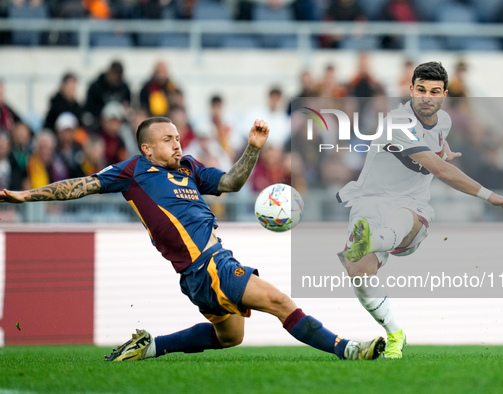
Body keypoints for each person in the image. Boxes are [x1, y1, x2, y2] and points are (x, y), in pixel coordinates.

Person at [0, 116, 385, 362]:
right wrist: (25, 196)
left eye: (178, 137)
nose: (177, 144)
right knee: (279, 302)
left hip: (202, 271)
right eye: (168, 140)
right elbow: (80, 186)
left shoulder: (189, 168)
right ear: (147, 148)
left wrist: (252, 148)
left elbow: (232, 183)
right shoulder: (132, 171)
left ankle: (151, 347)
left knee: (230, 337)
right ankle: (348, 349)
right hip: (207, 265)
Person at [336, 61, 503, 359]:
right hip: (369, 201)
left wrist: (443, 150)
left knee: (403, 215)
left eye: (435, 92)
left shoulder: (445, 122)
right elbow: (441, 170)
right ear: (411, 90)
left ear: (444, 95)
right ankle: (395, 334)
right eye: (421, 90)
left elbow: (436, 150)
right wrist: (489, 196)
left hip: (410, 206)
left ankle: (371, 241)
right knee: (358, 273)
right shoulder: (396, 122)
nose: (427, 97)